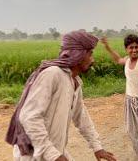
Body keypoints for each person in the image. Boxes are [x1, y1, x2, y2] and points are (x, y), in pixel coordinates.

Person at [6, 30, 116, 161]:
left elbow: (81, 116)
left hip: (55, 152)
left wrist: (97, 147)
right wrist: (53, 155)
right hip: (34, 155)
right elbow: (29, 117)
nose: (93, 60)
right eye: (90, 53)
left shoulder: (74, 81)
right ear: (78, 54)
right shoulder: (53, 74)